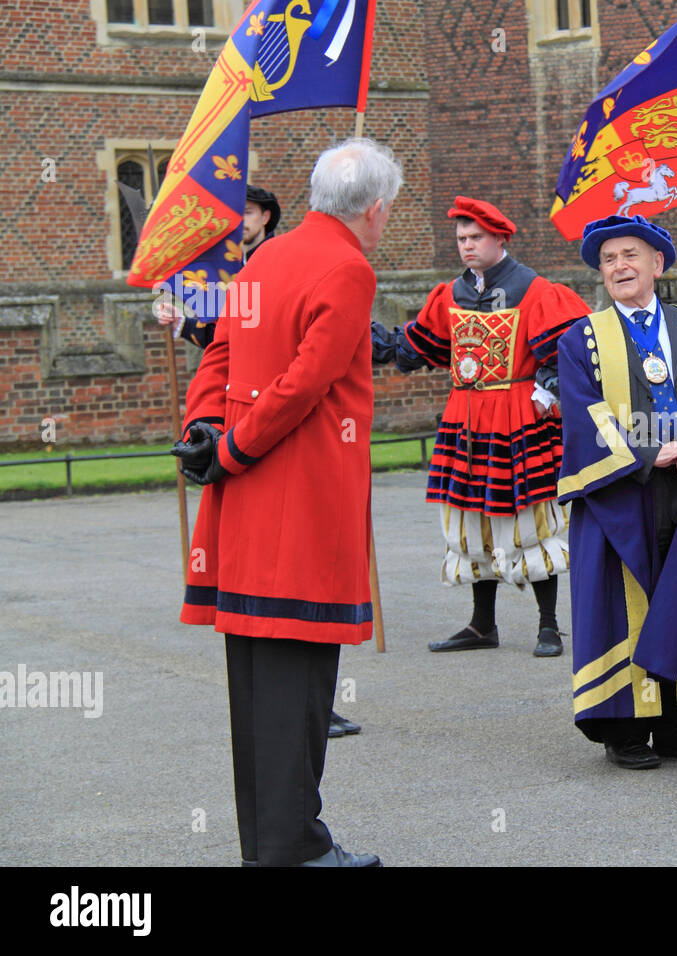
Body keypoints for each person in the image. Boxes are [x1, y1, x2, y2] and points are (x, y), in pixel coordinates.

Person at [170, 137, 402, 866]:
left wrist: (203, 429)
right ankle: (295, 849)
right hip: (300, 497)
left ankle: (273, 844)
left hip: (244, 504)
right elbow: (306, 382)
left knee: (256, 688)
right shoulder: (348, 267)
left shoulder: (264, 257)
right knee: (299, 690)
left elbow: (219, 353)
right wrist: (234, 444)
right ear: (374, 208)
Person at [156, 183, 360, 740]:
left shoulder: (297, 261)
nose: (234, 221)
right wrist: (207, 427)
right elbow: (220, 345)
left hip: (279, 434)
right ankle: (299, 720)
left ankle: (313, 712)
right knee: (272, 622)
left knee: (289, 625)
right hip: (257, 431)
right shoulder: (233, 268)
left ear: (266, 217)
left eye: (243, 212)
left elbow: (299, 370)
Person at [557, 214, 677, 770]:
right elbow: (582, 415)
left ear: (657, 264)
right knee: (622, 602)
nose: (619, 267)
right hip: (622, 492)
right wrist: (643, 453)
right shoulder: (581, 338)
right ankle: (626, 730)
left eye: (630, 255)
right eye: (609, 260)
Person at [372, 198, 589, 657]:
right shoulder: (451, 294)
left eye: (475, 238)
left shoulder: (535, 290)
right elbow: (421, 346)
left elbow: (568, 352)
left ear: (499, 239)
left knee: (530, 518)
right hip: (465, 416)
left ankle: (548, 626)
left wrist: (548, 385)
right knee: (472, 515)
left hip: (516, 415)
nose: (467, 246)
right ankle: (481, 624)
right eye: (461, 239)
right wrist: (378, 342)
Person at [157, 185, 282, 349]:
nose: (240, 220)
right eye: (234, 213)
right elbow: (226, 335)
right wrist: (181, 322)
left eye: (247, 212)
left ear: (265, 217)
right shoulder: (230, 267)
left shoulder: (279, 260)